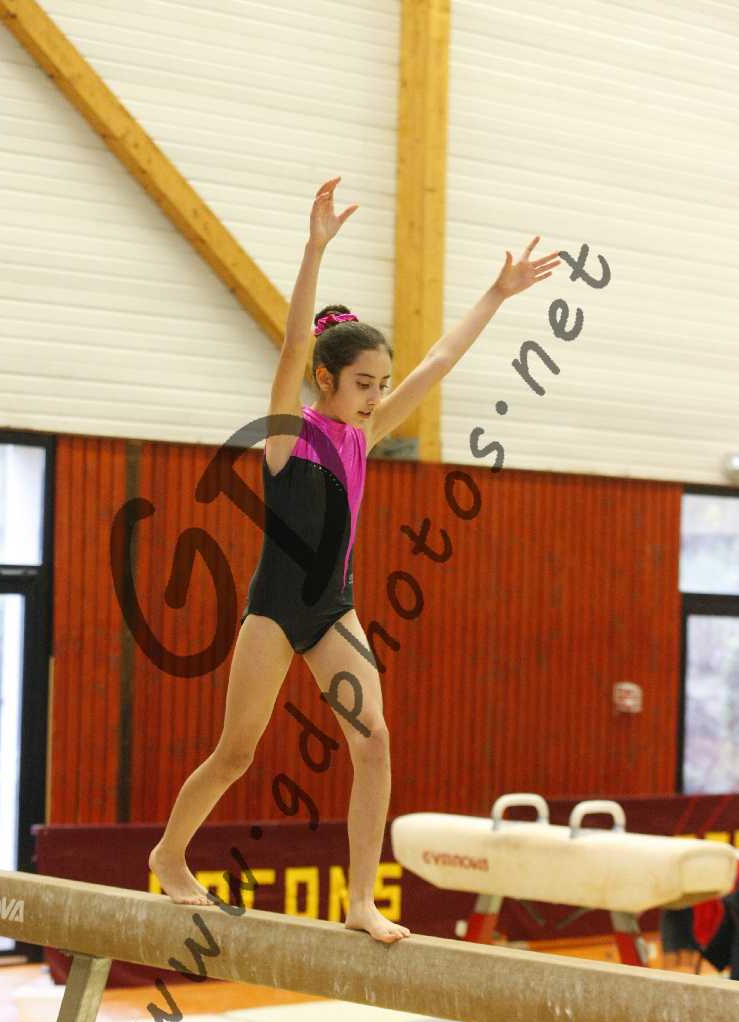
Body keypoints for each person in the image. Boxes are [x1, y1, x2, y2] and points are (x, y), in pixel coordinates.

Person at [149, 176, 561, 942]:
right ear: (325, 381)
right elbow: (290, 344)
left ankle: (362, 900)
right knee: (236, 753)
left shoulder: (362, 437)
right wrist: (315, 249)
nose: (374, 396)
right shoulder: (288, 433)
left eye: (380, 385)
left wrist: (497, 295)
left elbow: (439, 360)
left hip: (333, 610)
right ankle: (170, 855)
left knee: (374, 741)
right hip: (275, 611)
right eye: (362, 384)